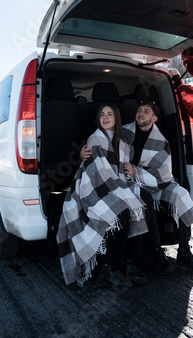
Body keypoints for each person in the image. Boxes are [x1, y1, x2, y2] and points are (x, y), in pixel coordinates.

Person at [81, 102, 193, 274]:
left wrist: (136, 172)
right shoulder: (123, 132)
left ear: (154, 118)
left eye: (146, 112)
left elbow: (163, 175)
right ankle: (156, 253)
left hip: (155, 182)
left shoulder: (161, 142)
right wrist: (84, 153)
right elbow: (104, 144)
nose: (141, 114)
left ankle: (184, 250)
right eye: (139, 110)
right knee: (144, 197)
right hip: (128, 182)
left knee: (181, 194)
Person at [57, 104, 148, 293]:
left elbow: (140, 125)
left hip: (115, 184)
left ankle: (130, 265)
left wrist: (125, 184)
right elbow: (98, 173)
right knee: (120, 210)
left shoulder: (124, 141)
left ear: (117, 118)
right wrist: (119, 190)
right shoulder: (95, 138)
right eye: (102, 115)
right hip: (91, 189)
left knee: (140, 204)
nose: (105, 118)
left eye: (110, 114)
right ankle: (108, 270)